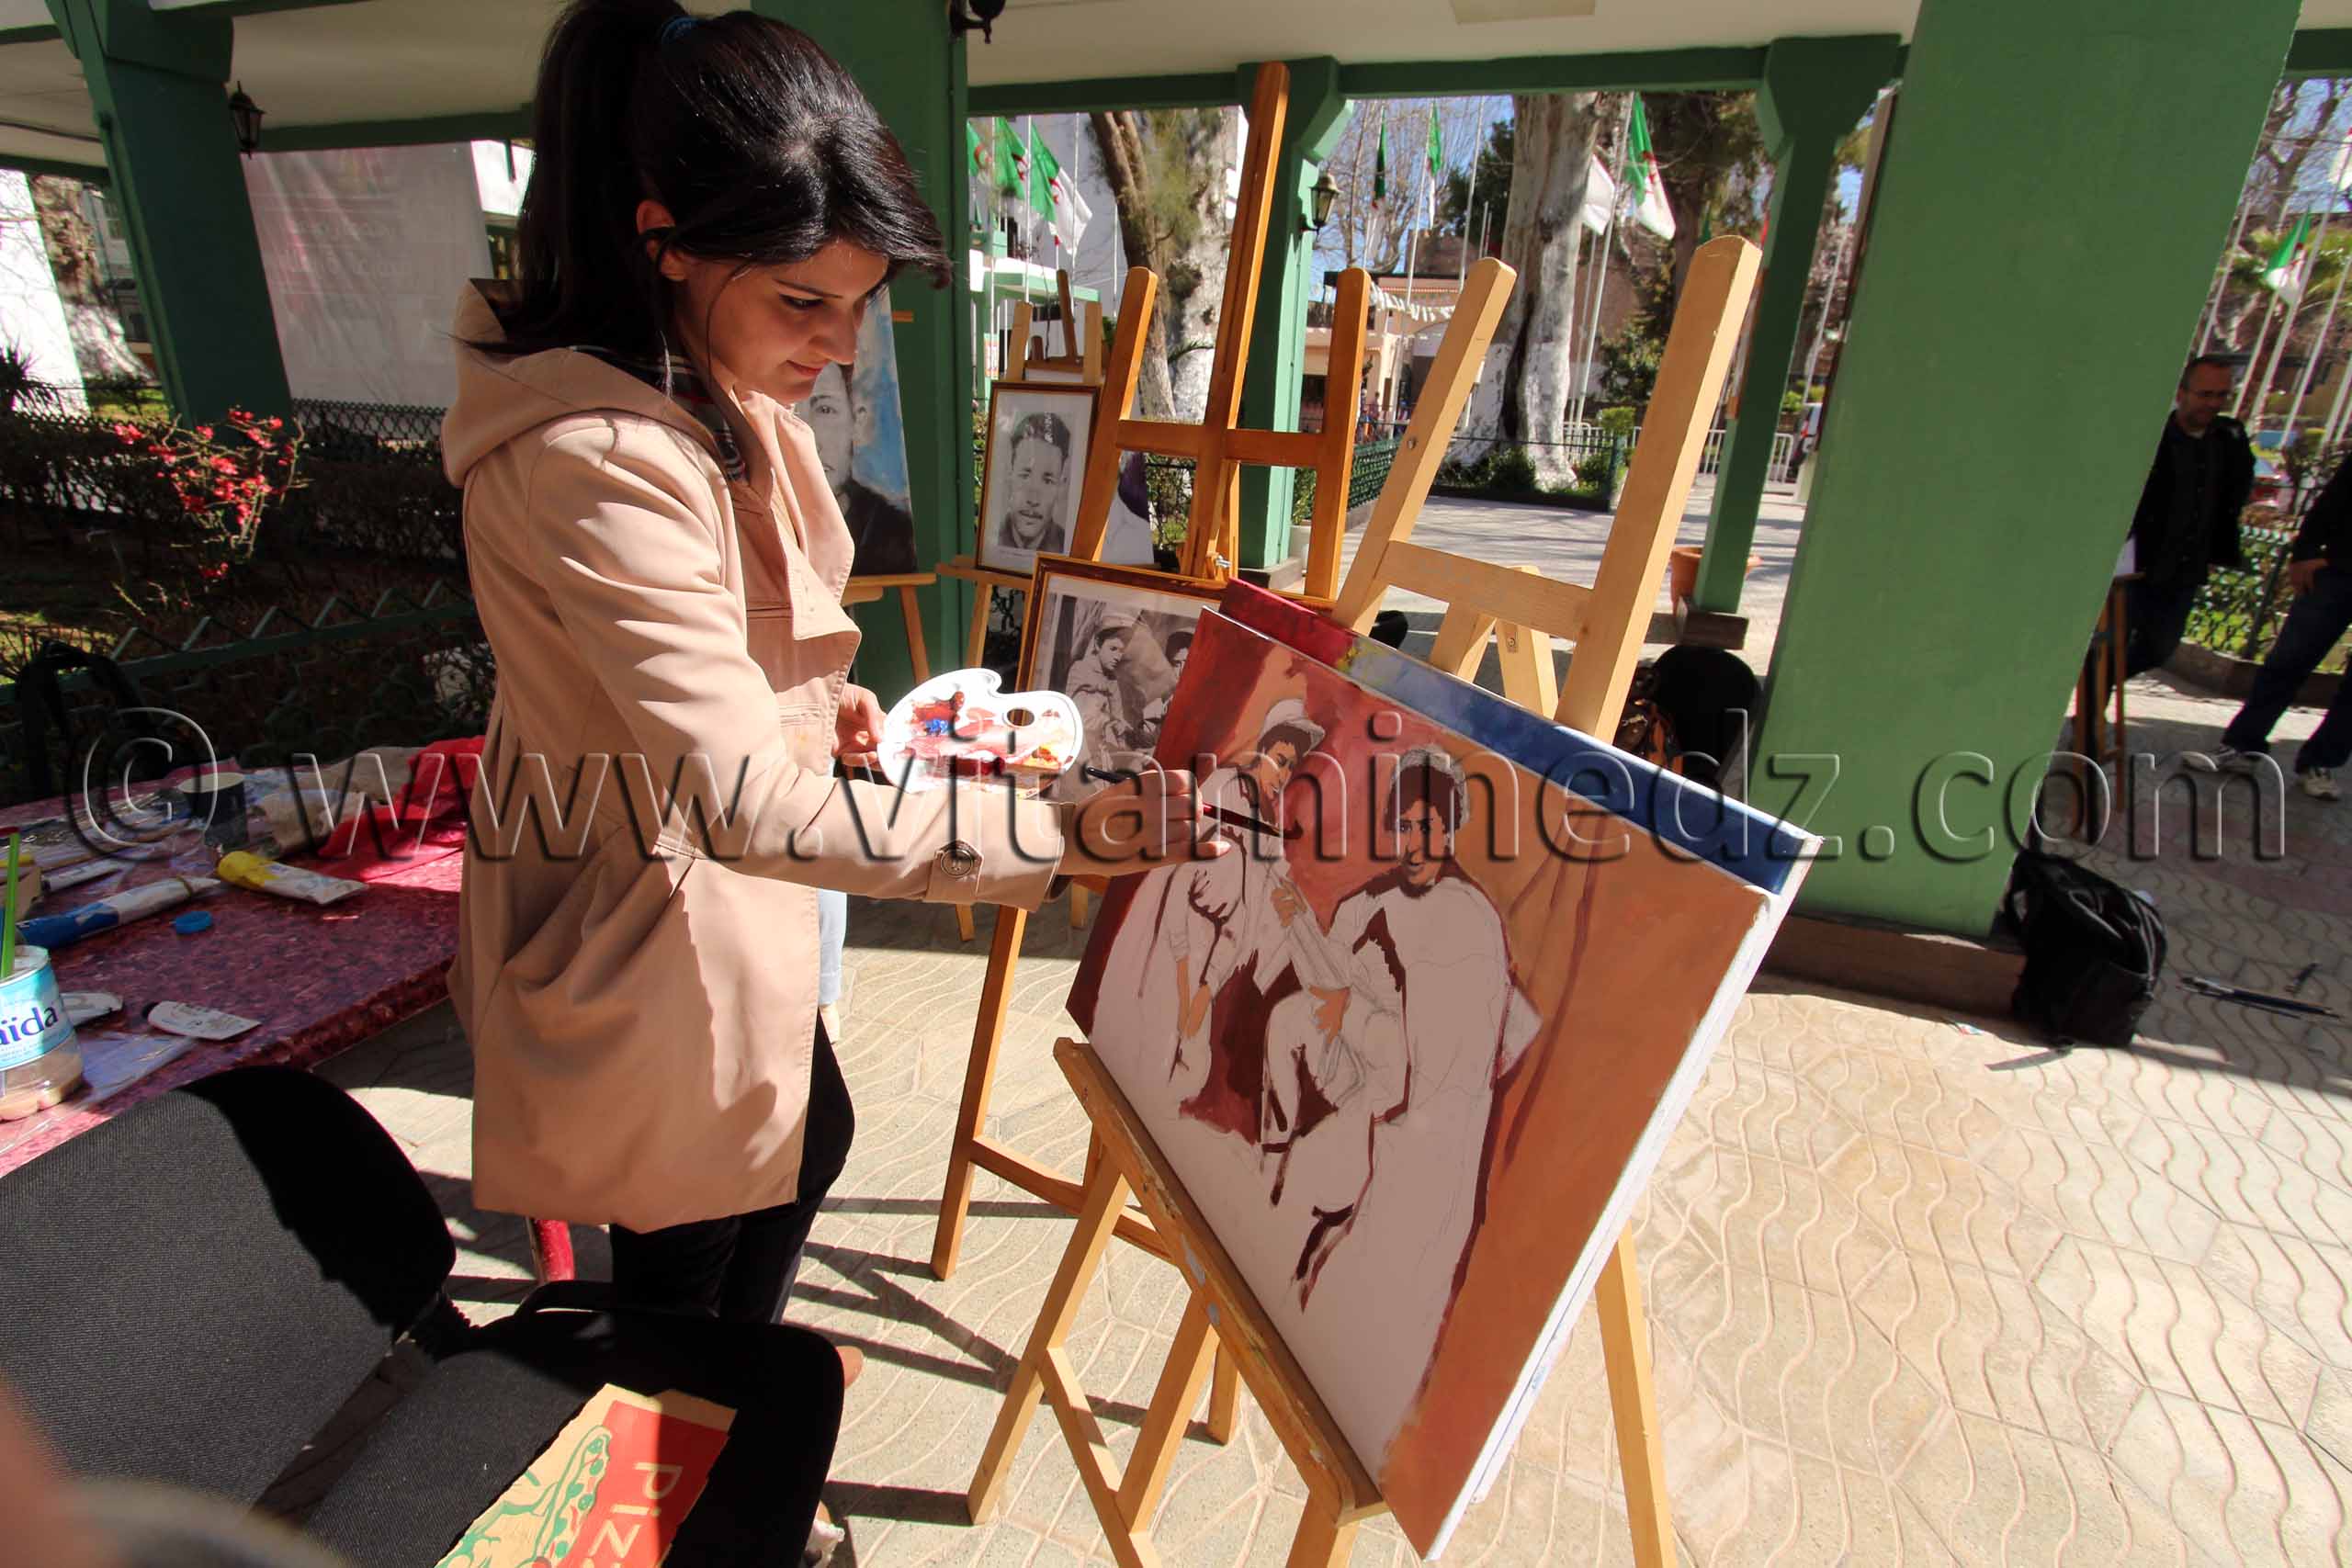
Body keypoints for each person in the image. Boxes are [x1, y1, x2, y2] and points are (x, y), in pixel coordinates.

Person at [446, 0, 1221, 1331]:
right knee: (694, 1257)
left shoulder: (704, 386)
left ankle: (725, 1413)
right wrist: (1062, 828)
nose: (843, 343)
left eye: (860, 303)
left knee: (798, 1146)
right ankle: (695, 1440)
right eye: (805, 300)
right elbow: (742, 799)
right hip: (653, 920)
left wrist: (817, 702)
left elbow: (695, 662)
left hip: (710, 894)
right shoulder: (601, 456)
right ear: (663, 241)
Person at [2193, 452, 2352, 800]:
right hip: (2337, 573)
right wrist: (2305, 554)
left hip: (2336, 569)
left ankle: (2321, 761)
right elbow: (2332, 501)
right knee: (2288, 661)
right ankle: (2242, 744)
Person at [2124, 355, 2254, 676]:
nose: (2213, 404)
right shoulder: (2155, 437)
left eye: (2221, 395)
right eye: (2205, 394)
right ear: (2181, 394)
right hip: (2136, 562)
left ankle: (2099, 685)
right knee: (2107, 646)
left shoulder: (2228, 439)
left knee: (2160, 647)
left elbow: (2234, 494)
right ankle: (2092, 702)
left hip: (2184, 568)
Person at [800, 362, 918, 574]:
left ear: (856, 421)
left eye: (825, 410)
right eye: (791, 413)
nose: (810, 440)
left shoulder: (889, 532)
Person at [995, 410, 1072, 558]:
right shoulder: (991, 540)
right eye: (1025, 476)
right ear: (1010, 472)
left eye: (1048, 481)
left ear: (1062, 483)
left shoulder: (1068, 548)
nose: (1033, 499)